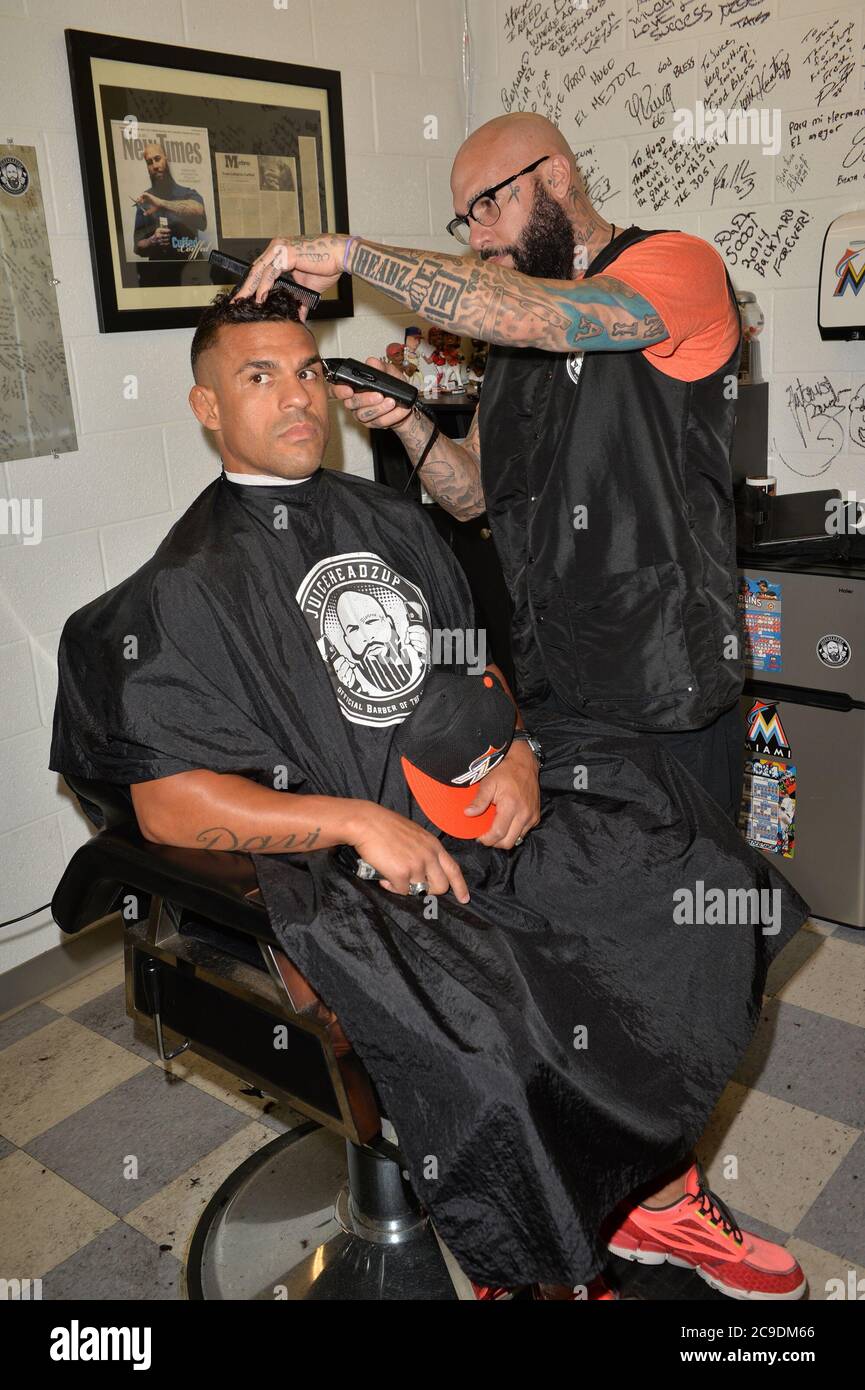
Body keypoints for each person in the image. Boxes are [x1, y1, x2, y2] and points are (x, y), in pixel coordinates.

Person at [50, 288, 808, 1300]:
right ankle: (533, 1251)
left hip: (467, 806)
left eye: (308, 371)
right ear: (205, 408)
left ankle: (652, 1190)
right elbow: (170, 809)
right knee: (506, 998)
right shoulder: (185, 588)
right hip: (347, 868)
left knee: (685, 862)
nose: (295, 397)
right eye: (258, 376)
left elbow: (475, 673)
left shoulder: (384, 516)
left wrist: (517, 757)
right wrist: (357, 819)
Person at [233, 110, 747, 825]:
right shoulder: (510, 343)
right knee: (587, 907)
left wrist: (352, 253)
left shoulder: (675, 266)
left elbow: (548, 317)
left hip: (662, 680)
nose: (476, 237)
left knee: (684, 907)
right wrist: (408, 420)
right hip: (551, 681)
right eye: (462, 222)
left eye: (486, 206)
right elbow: (474, 494)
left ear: (555, 177)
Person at [133, 141, 206, 260]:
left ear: (166, 159)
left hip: (190, 270)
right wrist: (152, 240)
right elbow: (137, 245)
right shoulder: (145, 200)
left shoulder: (188, 193)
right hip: (158, 273)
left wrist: (160, 203)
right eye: (149, 162)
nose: (155, 166)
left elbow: (198, 209)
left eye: (157, 159)